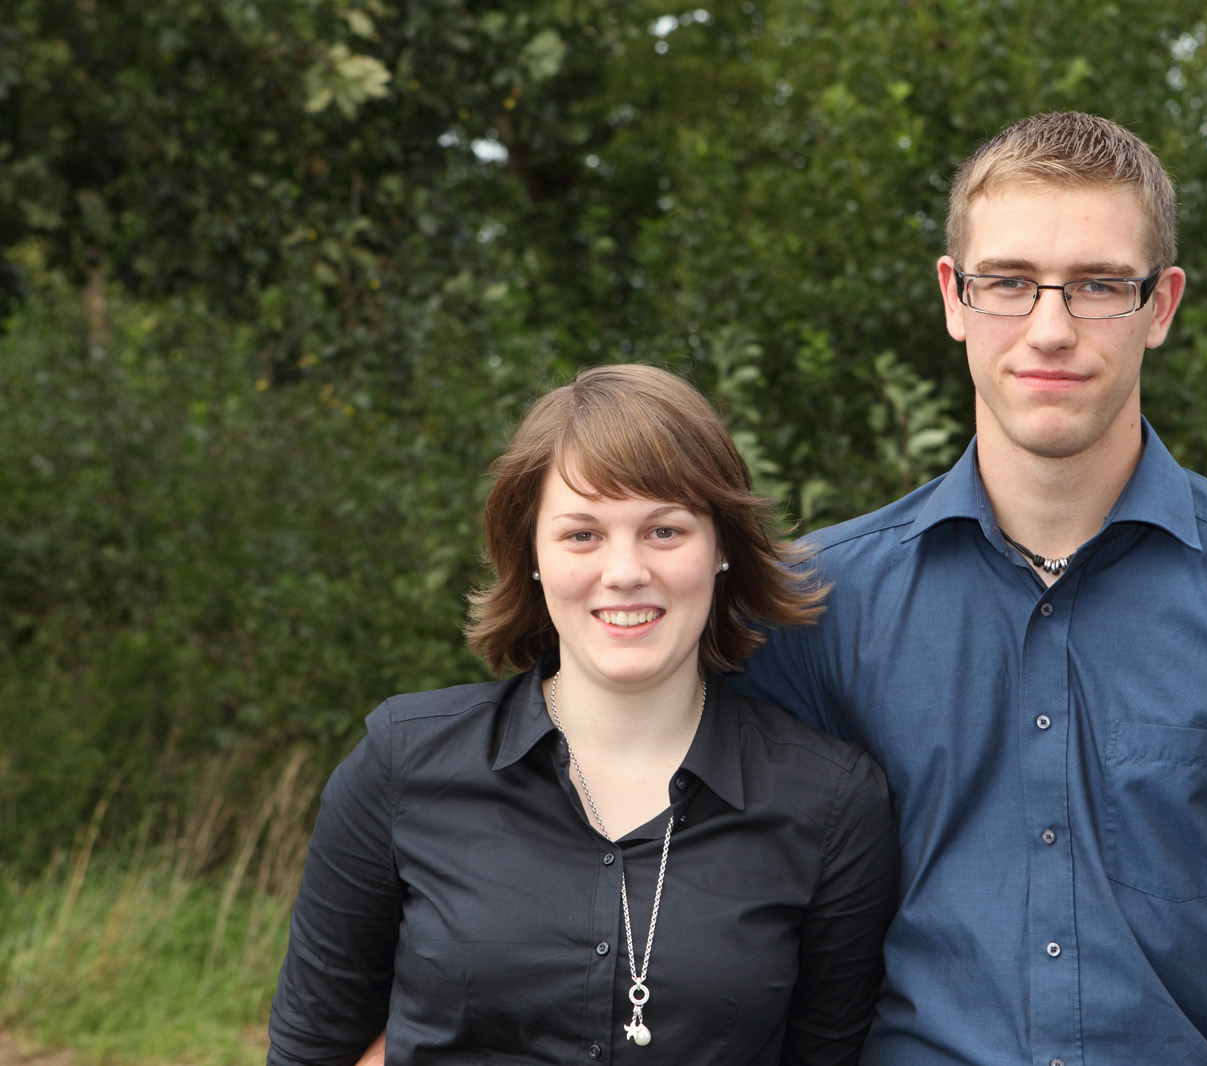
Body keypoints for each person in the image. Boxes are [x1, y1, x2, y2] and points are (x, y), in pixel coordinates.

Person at [730, 111, 1207, 1066]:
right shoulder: (816, 608)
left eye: (1100, 285)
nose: (1051, 329)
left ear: (1162, 305)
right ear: (953, 297)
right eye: (1008, 283)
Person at [267, 363, 900, 1066]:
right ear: (532, 553)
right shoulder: (401, 764)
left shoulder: (832, 804)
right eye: (582, 535)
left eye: (665, 530)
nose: (625, 571)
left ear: (721, 547)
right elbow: (310, 1051)